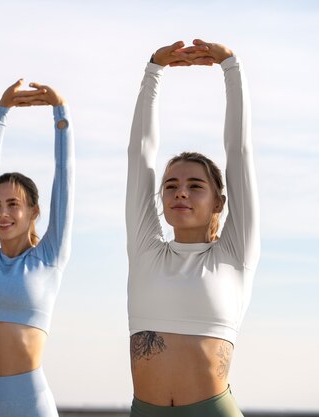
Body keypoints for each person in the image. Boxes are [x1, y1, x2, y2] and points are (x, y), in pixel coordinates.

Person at [126, 39, 260, 417]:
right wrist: (153, 70)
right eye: (170, 186)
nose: (180, 193)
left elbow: (240, 153)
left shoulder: (235, 255)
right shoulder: (145, 249)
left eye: (195, 186)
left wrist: (231, 67)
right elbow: (140, 156)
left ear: (219, 201)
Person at [0, 79, 74, 417]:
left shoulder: (48, 257)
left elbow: (65, 177)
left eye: (13, 204)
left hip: (29, 403)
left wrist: (61, 116)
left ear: (33, 212)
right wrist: (0, 115)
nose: (2, 213)